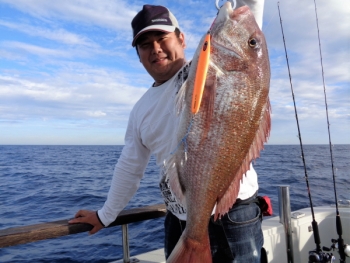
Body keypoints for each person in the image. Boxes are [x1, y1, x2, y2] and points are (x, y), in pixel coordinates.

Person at [69, 1, 265, 262]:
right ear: (138, 55)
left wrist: (239, 17)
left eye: (162, 37)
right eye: (145, 44)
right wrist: (105, 215)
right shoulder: (140, 110)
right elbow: (130, 166)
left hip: (233, 213)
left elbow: (248, 18)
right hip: (179, 218)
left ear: (182, 39)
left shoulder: (210, 70)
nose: (156, 49)